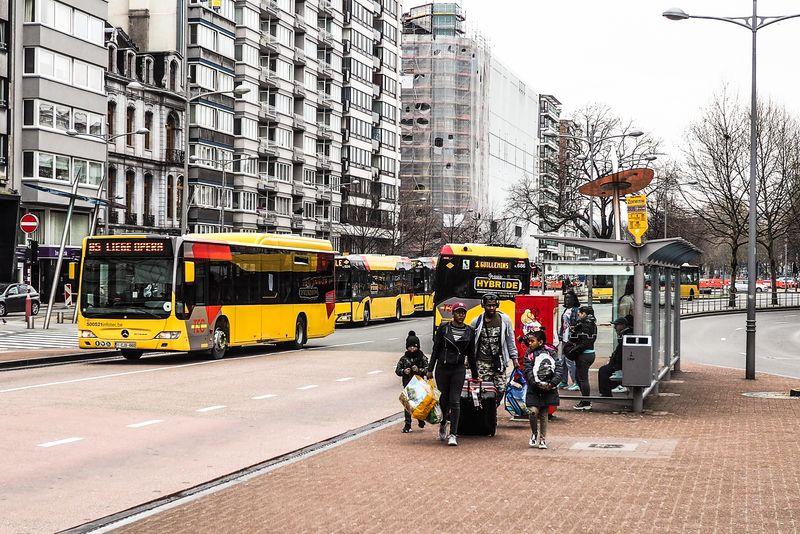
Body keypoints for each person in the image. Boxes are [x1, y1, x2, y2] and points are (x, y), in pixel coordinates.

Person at [427, 302, 479, 447]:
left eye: (463, 312)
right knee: (443, 399)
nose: (461, 315)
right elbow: (436, 349)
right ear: (453, 314)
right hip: (442, 369)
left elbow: (471, 355)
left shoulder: (470, 331)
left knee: (455, 401)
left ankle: (453, 434)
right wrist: (430, 369)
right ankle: (443, 422)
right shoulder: (444, 328)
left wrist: (475, 374)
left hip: (458, 369)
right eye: (458, 312)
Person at [471, 293, 518, 400]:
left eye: (494, 305)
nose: (492, 308)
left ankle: (493, 409)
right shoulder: (476, 322)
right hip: (482, 363)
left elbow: (510, 340)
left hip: (499, 362)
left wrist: (514, 358)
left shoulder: (505, 320)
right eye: (489, 305)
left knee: (501, 389)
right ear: (483, 305)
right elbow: (470, 343)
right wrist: (468, 360)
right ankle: (486, 413)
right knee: (483, 390)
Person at [523, 330, 563, 449]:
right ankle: (534, 433)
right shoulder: (529, 354)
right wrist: (535, 383)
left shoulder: (551, 353)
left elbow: (559, 369)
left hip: (548, 388)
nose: (529, 343)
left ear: (540, 342)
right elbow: (527, 370)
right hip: (534, 388)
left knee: (544, 413)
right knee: (533, 411)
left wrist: (552, 383)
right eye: (529, 341)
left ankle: (542, 439)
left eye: (532, 341)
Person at [564, 305, 597, 410]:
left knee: (583, 379)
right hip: (590, 353)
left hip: (584, 355)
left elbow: (584, 342)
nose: (578, 314)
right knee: (580, 377)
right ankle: (585, 400)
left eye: (580, 313)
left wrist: (573, 351)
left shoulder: (585, 325)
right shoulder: (592, 324)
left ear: (585, 314)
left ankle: (586, 402)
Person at [395, 331, 429, 433]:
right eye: (410, 347)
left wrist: (418, 370)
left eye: (414, 347)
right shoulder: (404, 359)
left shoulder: (422, 357)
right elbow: (397, 370)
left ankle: (421, 419)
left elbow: (427, 369)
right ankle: (407, 425)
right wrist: (403, 371)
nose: (412, 349)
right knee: (408, 405)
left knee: (419, 404)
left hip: (419, 384)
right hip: (408, 384)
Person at [598, 316, 632, 397]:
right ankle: (607, 391)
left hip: (622, 365)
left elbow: (621, 353)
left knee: (603, 371)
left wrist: (613, 363)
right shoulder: (623, 335)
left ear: (622, 325)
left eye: (616, 325)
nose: (615, 327)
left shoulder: (625, 336)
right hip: (621, 364)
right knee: (604, 370)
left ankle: (606, 393)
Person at [558, 291, 580, 390]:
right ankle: (563, 381)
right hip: (564, 339)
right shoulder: (566, 310)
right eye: (565, 298)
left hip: (571, 339)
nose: (567, 300)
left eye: (569, 298)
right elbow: (563, 325)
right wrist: (560, 335)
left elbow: (577, 325)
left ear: (573, 299)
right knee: (562, 361)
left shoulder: (576, 310)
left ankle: (576, 382)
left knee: (570, 361)